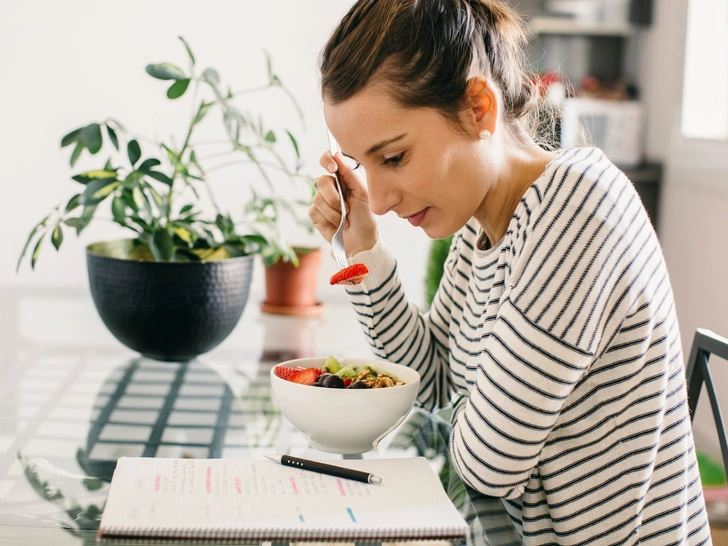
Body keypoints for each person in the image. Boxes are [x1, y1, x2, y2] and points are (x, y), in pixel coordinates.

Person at [309, 0, 710, 544]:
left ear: (478, 107)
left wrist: (479, 417)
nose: (377, 200)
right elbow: (431, 383)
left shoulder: (577, 207)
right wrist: (363, 252)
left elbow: (488, 462)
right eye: (362, 165)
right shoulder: (481, 234)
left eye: (395, 157)